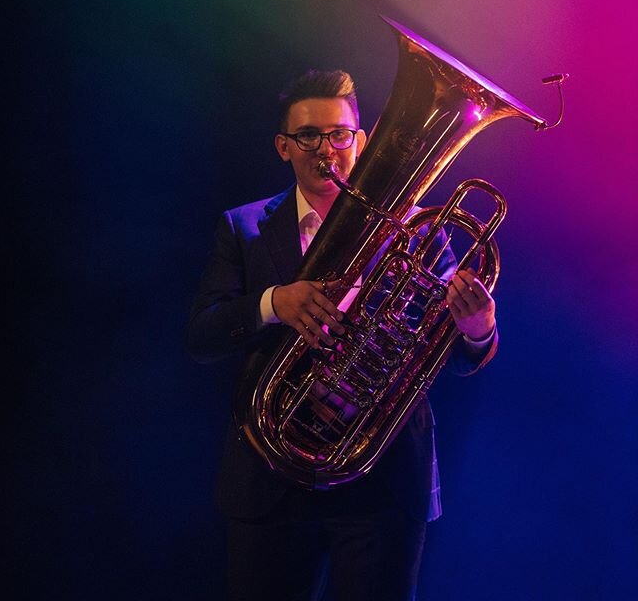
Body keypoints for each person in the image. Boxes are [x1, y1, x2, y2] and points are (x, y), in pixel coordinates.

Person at [186, 70, 498, 601]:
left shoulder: (421, 226)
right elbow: (203, 337)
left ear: (364, 140)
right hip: (270, 480)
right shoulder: (242, 227)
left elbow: (457, 355)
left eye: (339, 134)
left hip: (384, 474)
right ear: (284, 147)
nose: (325, 149)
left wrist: (477, 327)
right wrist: (273, 303)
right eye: (308, 136)